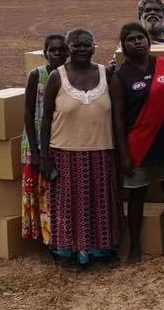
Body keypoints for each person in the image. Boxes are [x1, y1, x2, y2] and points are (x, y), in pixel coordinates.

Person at [39, 28, 122, 267]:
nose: (82, 49)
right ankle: (69, 253)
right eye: (76, 45)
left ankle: (102, 252)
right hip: (64, 153)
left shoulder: (107, 75)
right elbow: (45, 119)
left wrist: (120, 153)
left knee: (102, 205)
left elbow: (117, 118)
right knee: (69, 205)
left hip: (102, 152)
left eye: (87, 44)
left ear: (94, 47)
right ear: (69, 49)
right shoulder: (58, 76)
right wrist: (44, 156)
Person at [109, 22, 164, 264]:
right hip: (137, 147)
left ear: (149, 41)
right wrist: (123, 155)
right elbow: (117, 119)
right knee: (137, 199)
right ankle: (135, 246)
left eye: (141, 37)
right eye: (131, 39)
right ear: (124, 45)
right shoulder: (120, 77)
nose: (137, 42)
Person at [21, 34, 67, 245]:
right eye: (53, 50)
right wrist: (35, 150)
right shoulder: (37, 76)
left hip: (59, 140)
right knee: (39, 192)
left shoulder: (70, 75)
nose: (57, 53)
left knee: (56, 193)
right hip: (36, 143)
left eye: (61, 50)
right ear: (45, 53)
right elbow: (29, 114)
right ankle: (43, 238)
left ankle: (58, 236)